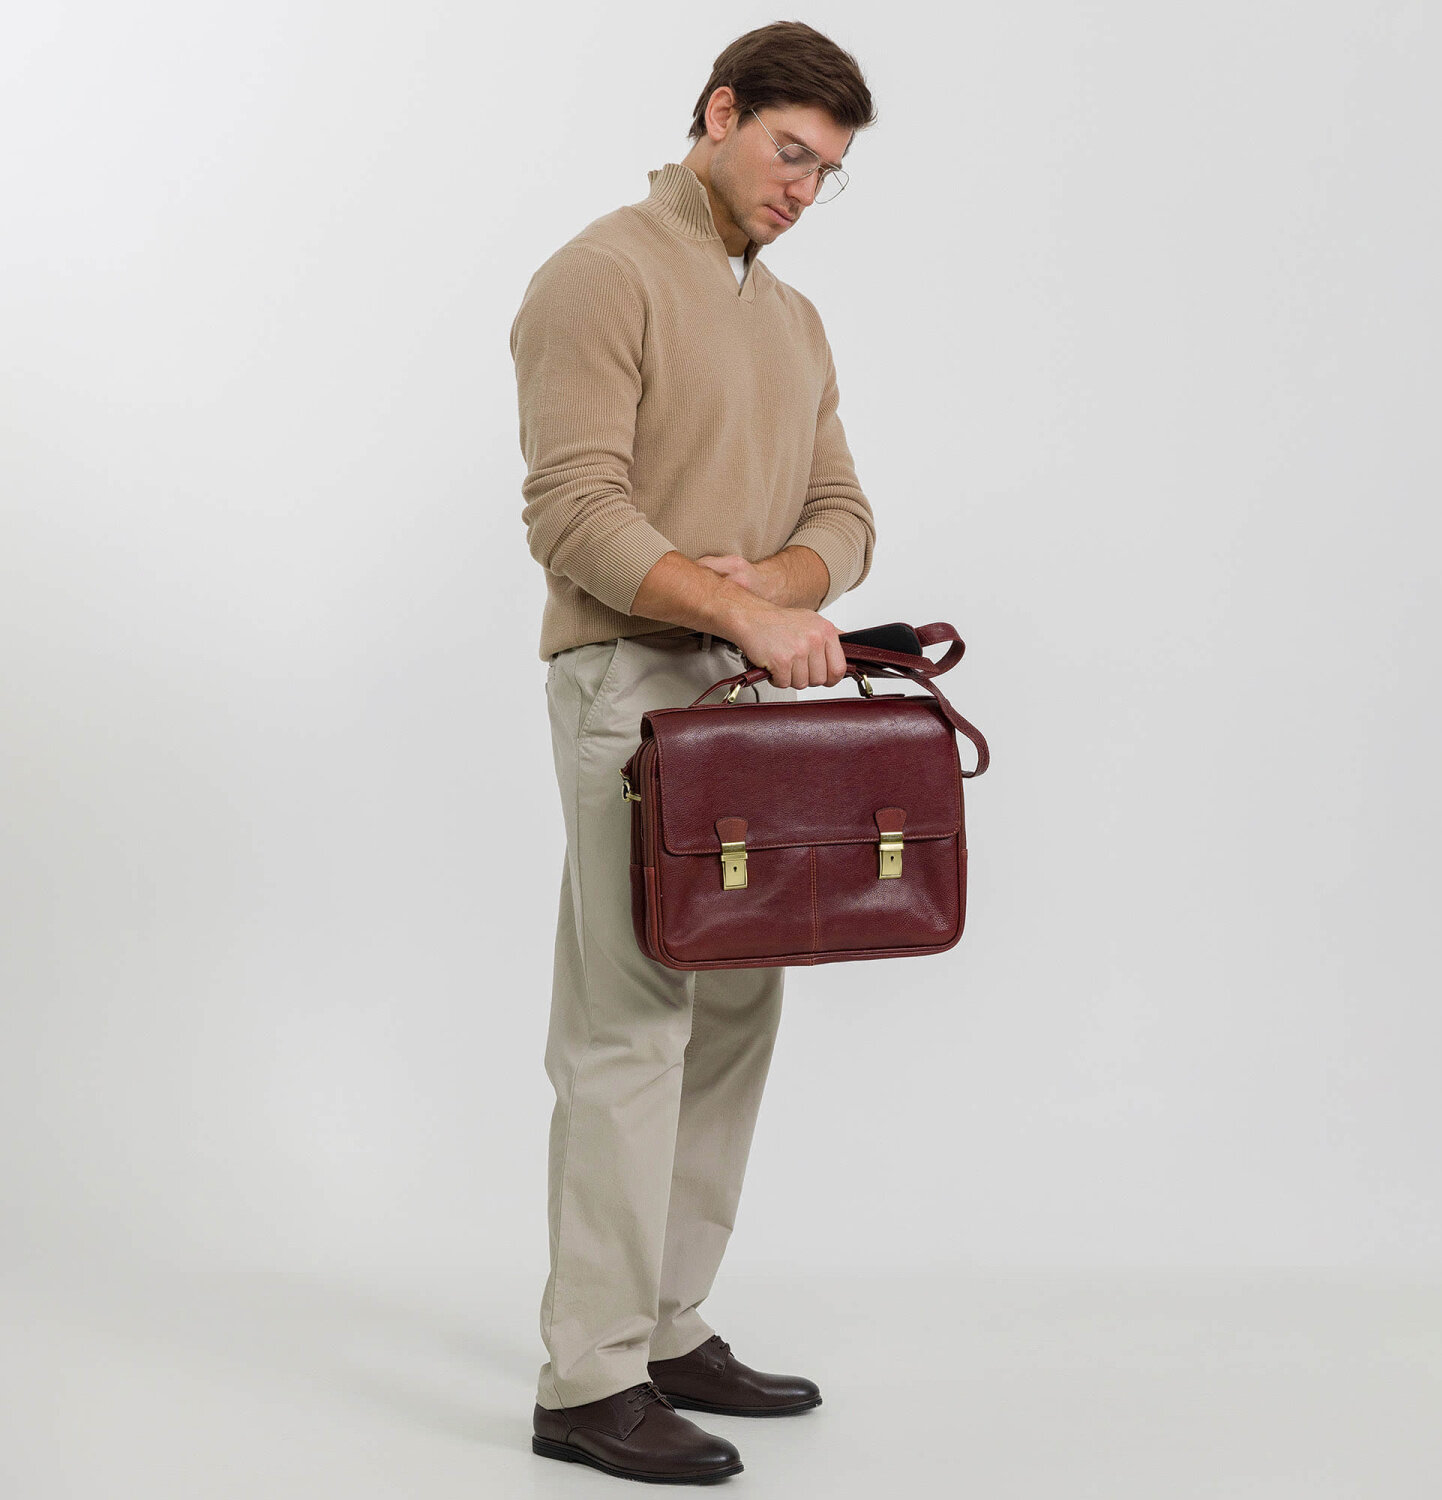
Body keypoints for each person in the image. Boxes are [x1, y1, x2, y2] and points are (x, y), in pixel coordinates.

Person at [509, 21, 877, 1484]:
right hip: (631, 684)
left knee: (733, 1013)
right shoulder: (601, 275)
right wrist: (741, 608)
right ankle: (588, 1380)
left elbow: (845, 515)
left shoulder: (793, 320)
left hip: (752, 696)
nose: (803, 189)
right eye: (789, 152)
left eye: (828, 171)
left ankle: (667, 1329)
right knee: (631, 1022)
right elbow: (574, 513)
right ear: (718, 114)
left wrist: (775, 590)